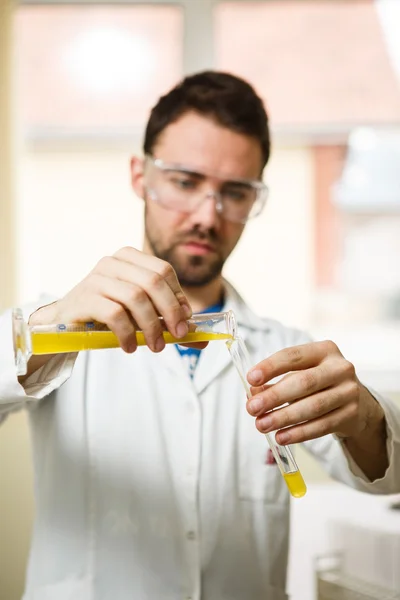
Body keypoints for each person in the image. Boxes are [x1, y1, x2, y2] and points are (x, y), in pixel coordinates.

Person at [1, 71, 399, 600]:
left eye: (234, 192)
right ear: (140, 176)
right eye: (186, 182)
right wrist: (50, 327)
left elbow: (385, 474)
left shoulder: (282, 348)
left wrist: (368, 417)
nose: (208, 216)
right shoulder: (67, 326)